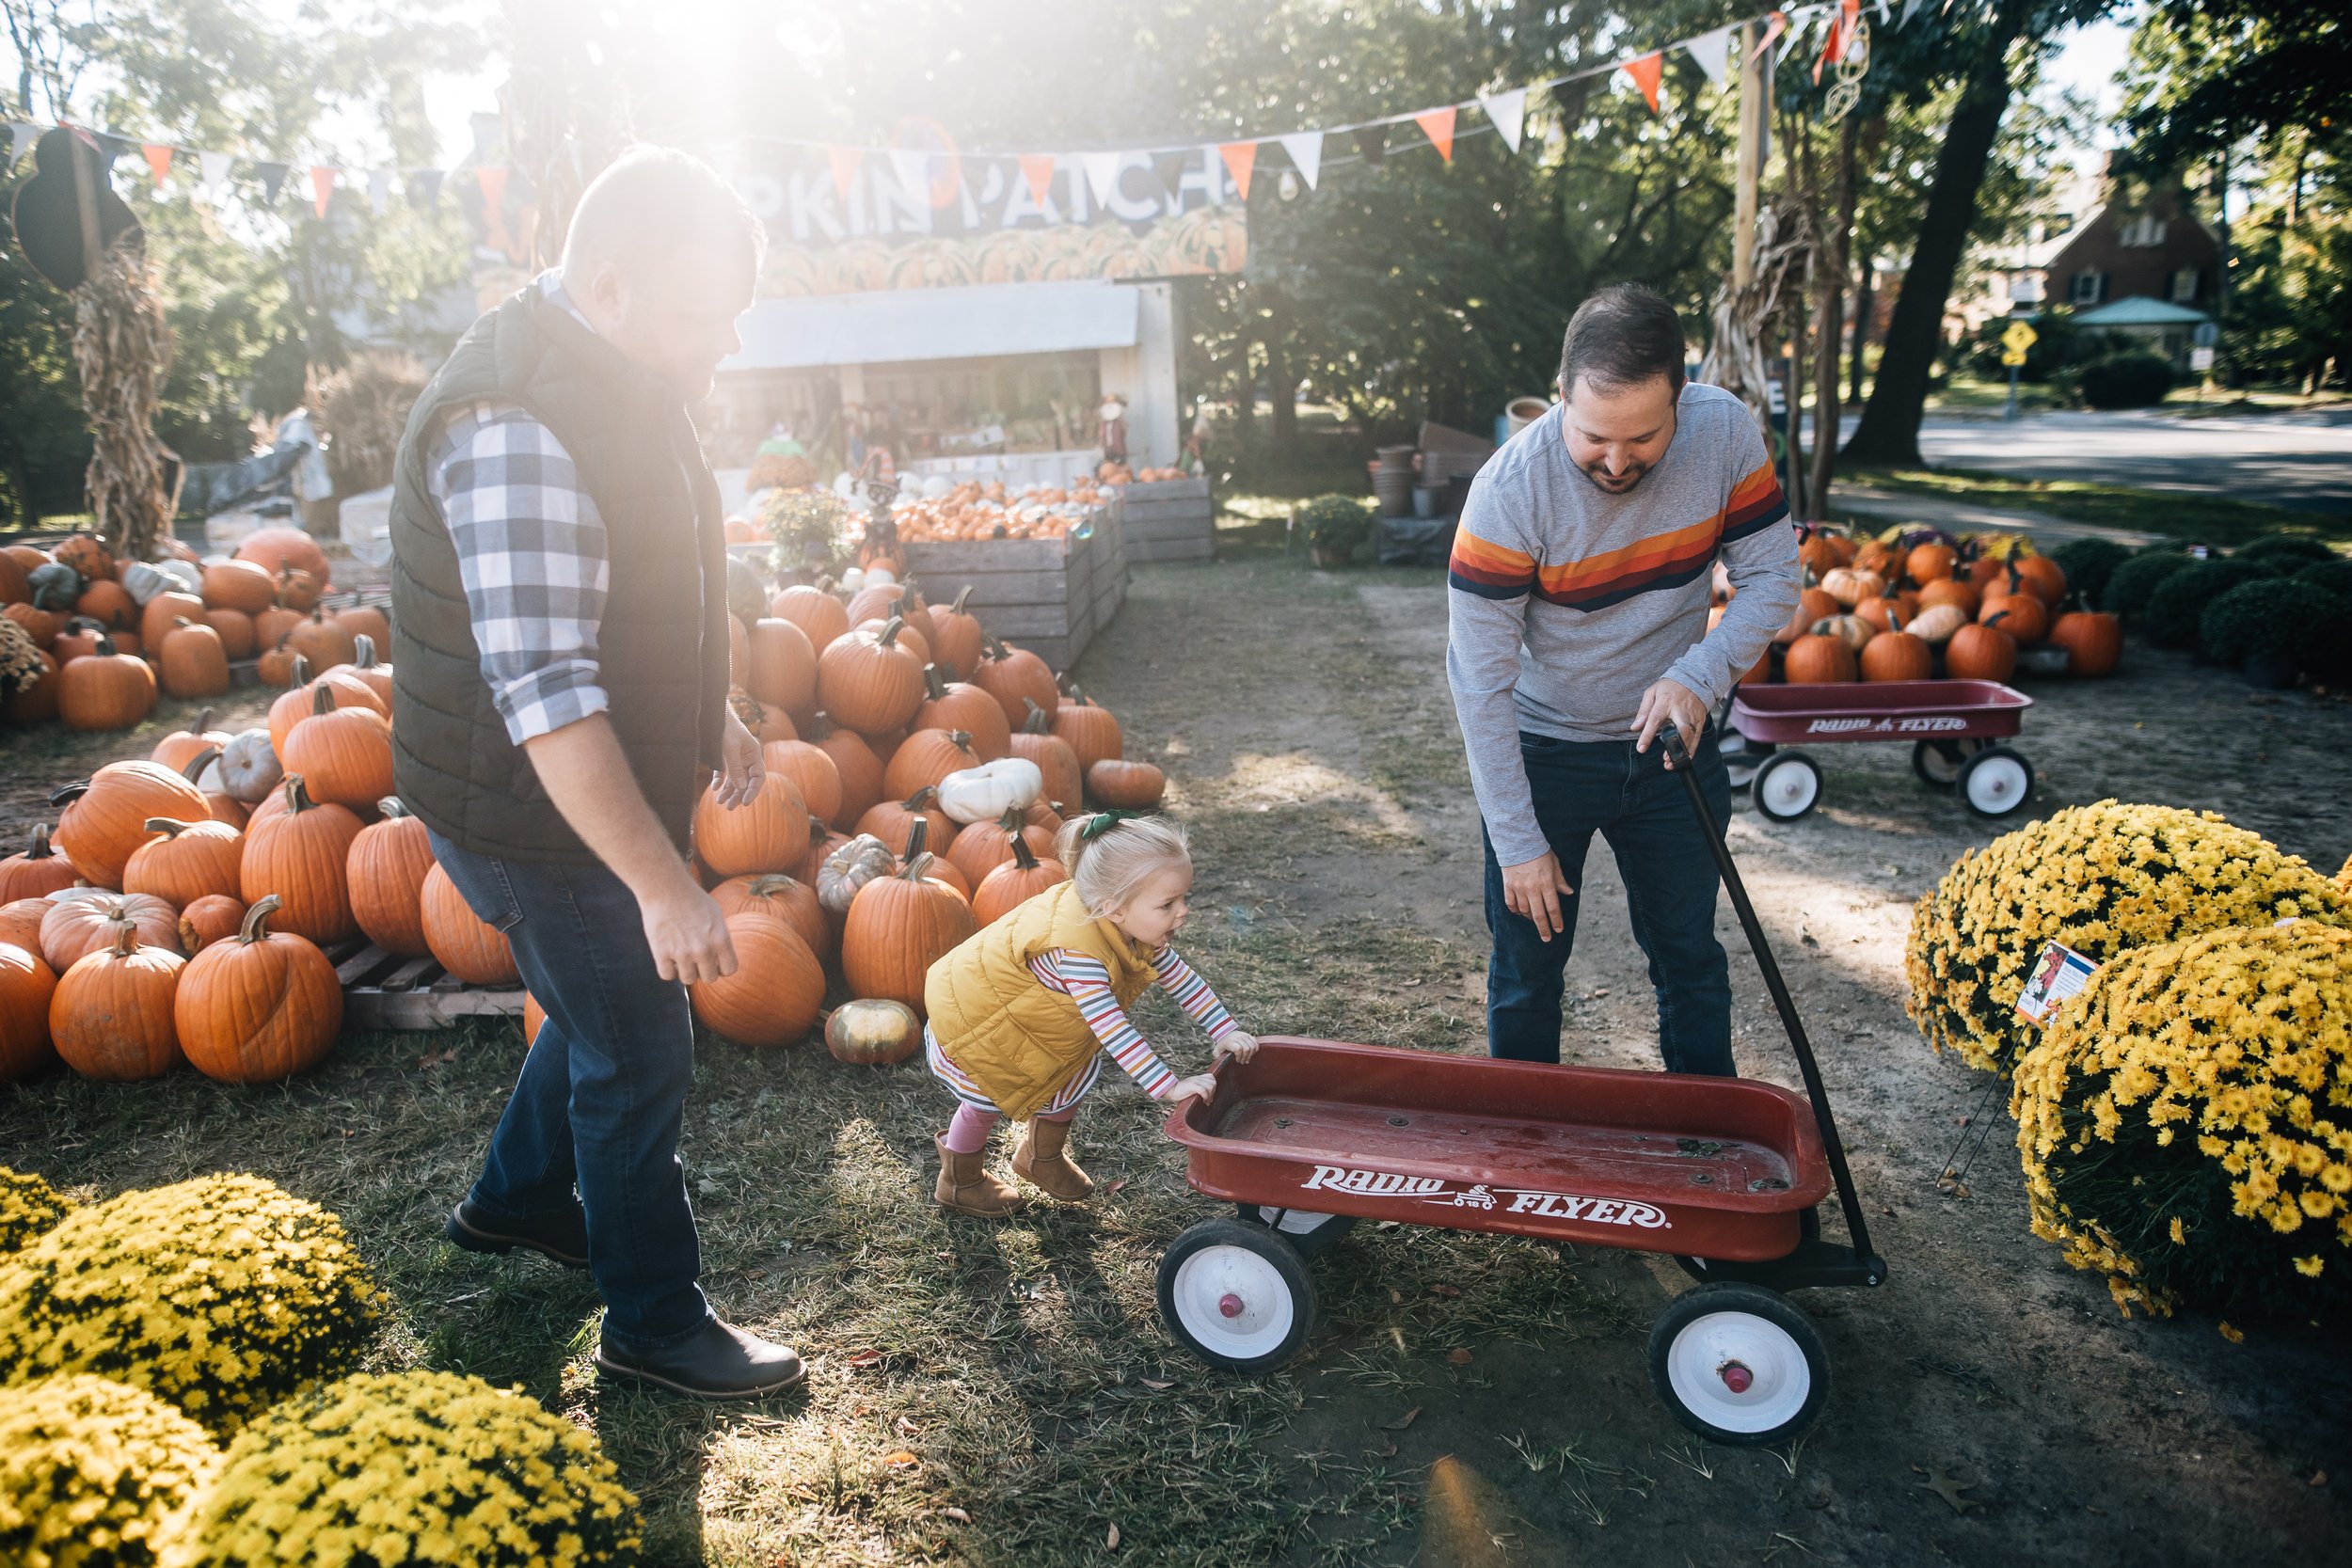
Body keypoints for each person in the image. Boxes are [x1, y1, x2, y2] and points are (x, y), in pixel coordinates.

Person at [388, 147, 803, 1400]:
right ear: (609, 285)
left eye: (734, 312)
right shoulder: (514, 421)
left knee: (593, 1006)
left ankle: (517, 1196)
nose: (723, 341)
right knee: (639, 1034)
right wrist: (664, 882)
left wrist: (709, 707)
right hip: (529, 809)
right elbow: (549, 694)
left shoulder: (623, 361)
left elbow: (650, 566)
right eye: (700, 314)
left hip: (570, 777)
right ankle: (654, 1320)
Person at [1445, 282, 1799, 1075]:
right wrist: (1518, 841)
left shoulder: (1724, 434)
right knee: (1525, 976)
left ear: (1683, 393)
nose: (1615, 460)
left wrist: (1699, 674)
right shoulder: (1507, 494)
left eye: (1643, 438)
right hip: (1545, 755)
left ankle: (1701, 1147)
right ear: (1561, 391)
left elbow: (1775, 576)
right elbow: (1480, 682)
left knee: (1690, 961)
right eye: (1595, 435)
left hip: (1673, 750)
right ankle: (1530, 1159)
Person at [921, 813, 1257, 1216]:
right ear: (1113, 909)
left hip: (1039, 1026)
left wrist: (1222, 1029)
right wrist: (1168, 1086)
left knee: (1069, 1079)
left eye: (1184, 897)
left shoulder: (1128, 925)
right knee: (984, 1104)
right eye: (1168, 903)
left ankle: (1040, 1158)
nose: (1182, 911)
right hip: (984, 1027)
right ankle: (960, 1181)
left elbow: (1182, 979)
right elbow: (1113, 1028)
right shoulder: (1079, 956)